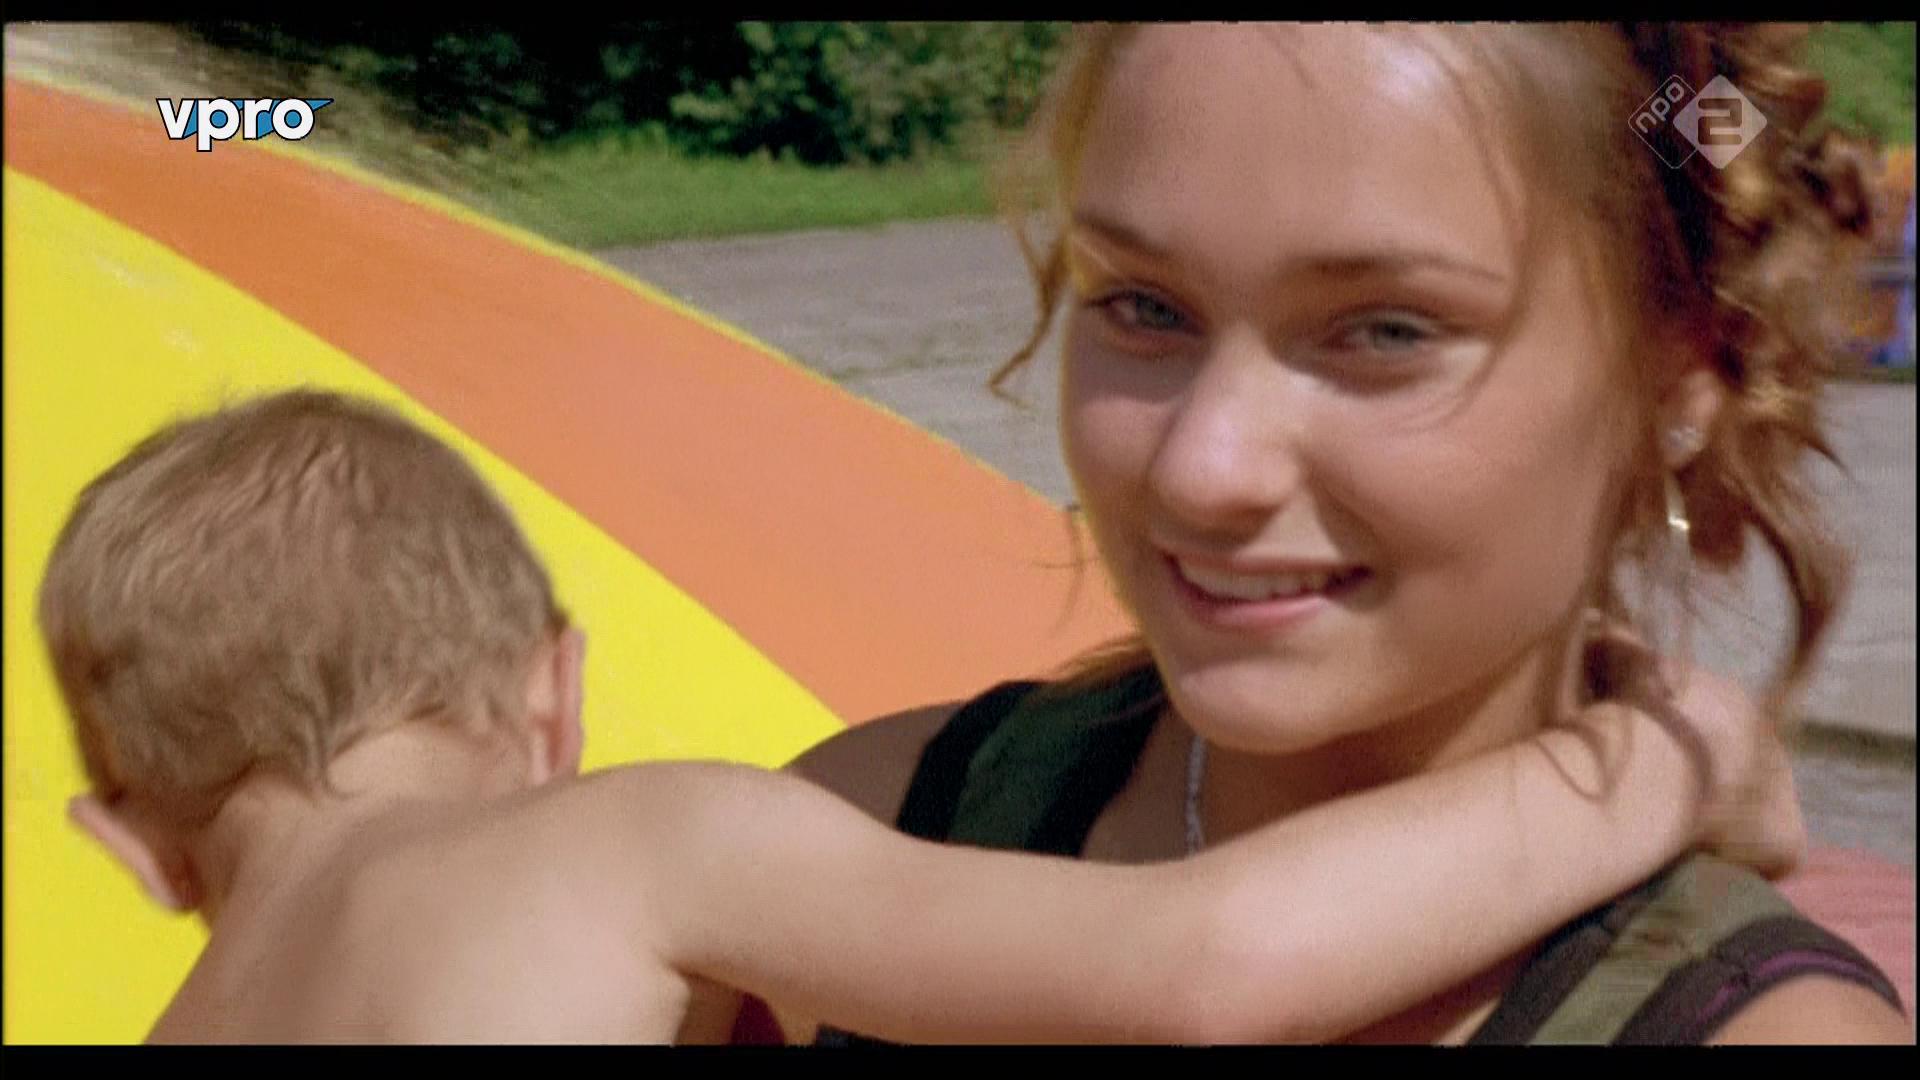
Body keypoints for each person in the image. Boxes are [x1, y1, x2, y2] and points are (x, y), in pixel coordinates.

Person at [782, 23, 1912, 1045]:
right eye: (1143, 305)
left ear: (1679, 378)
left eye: (1385, 331)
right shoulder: (865, 828)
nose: (1202, 469)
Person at [40, 388, 1799, 1044]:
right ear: (553, 691)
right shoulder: (625, 845)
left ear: (130, 844)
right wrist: (1671, 756)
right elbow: (1206, 965)